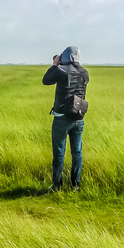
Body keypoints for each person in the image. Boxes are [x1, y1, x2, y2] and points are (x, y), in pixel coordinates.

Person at [42, 46, 89, 192]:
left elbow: (46, 80)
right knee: (77, 152)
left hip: (62, 118)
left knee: (59, 153)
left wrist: (55, 64)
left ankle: (57, 186)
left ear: (66, 57)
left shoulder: (60, 71)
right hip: (78, 117)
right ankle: (76, 185)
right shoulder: (85, 73)